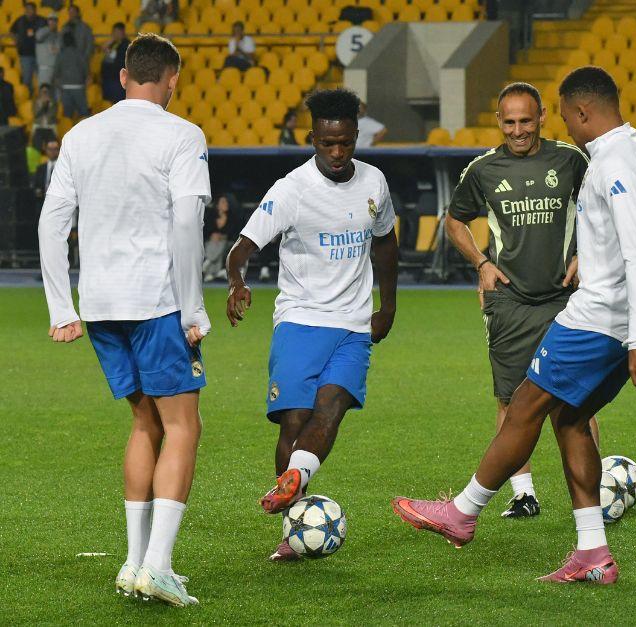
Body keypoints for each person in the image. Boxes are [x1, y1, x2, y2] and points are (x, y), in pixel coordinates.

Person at [391, 66, 636, 583]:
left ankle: (462, 511)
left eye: (562, 115)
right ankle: (593, 553)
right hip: (611, 314)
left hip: (597, 316)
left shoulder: (608, 162)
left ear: (580, 112)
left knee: (524, 406)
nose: (558, 124)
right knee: (569, 418)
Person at [37, 32, 211, 606]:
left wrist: (63, 307)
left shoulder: (80, 135)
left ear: (122, 77)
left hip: (101, 303)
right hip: (157, 301)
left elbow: (51, 221)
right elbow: (187, 223)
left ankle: (134, 563)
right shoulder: (182, 134)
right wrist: (193, 305)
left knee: (145, 424)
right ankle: (158, 565)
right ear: (173, 79)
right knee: (184, 426)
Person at [224, 88, 399, 562]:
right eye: (328, 144)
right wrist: (237, 283)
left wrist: (388, 306)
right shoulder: (290, 190)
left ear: (355, 136)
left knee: (331, 408)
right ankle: (293, 522)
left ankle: (294, 483)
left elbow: (385, 244)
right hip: (300, 321)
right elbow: (240, 250)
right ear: (313, 138)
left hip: (353, 324)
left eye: (345, 143)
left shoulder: (375, 183)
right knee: (295, 423)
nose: (338, 153)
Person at [444, 81, 596, 518]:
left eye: (525, 121)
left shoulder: (571, 160)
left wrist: (585, 253)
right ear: (498, 121)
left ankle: (591, 497)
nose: (517, 130)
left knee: (575, 399)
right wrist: (480, 263)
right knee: (512, 399)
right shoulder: (482, 170)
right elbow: (455, 222)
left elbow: (600, 210)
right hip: (508, 300)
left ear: (542, 116)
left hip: (564, 298)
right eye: (509, 122)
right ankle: (523, 493)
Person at [10, 2, 45, 96]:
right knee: (26, 79)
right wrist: (16, 40)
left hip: (40, 54)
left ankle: (42, 99)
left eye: (30, 9)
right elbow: (12, 31)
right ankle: (28, 99)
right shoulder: (20, 20)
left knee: (42, 79)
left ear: (35, 10)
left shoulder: (42, 20)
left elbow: (49, 33)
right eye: (26, 9)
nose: (28, 11)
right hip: (25, 54)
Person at [203, 192, 239, 280]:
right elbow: (206, 230)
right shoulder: (211, 216)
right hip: (211, 242)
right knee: (213, 243)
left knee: (222, 243)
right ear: (217, 205)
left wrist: (221, 236)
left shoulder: (231, 217)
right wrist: (213, 235)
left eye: (226, 202)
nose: (226, 204)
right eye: (223, 202)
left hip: (226, 241)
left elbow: (233, 232)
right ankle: (213, 272)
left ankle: (208, 263)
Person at [53, 31, 89, 120]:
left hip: (65, 88)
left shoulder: (60, 55)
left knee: (67, 117)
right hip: (79, 87)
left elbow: (56, 74)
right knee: (84, 115)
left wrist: (60, 85)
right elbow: (86, 71)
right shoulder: (80, 54)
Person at [101, 23, 130, 104]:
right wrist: (112, 40)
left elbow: (121, 61)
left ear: (122, 32)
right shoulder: (115, 43)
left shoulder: (126, 44)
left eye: (116, 32)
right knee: (111, 102)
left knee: (119, 102)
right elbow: (103, 48)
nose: (114, 34)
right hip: (110, 78)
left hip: (117, 79)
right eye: (113, 32)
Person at [35, 13, 61, 89]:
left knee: (56, 91)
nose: (52, 22)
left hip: (56, 67)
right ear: (47, 21)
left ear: (57, 22)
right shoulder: (41, 31)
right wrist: (49, 29)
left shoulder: (59, 35)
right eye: (50, 20)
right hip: (44, 67)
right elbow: (38, 38)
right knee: (44, 90)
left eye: (55, 20)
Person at [31, 82, 58, 149]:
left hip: (50, 127)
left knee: (52, 144)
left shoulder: (53, 103)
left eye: (46, 92)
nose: (44, 93)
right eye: (43, 92)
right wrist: (42, 105)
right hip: (38, 127)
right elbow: (36, 115)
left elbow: (52, 115)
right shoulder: (36, 102)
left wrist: (48, 104)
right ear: (40, 92)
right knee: (36, 142)